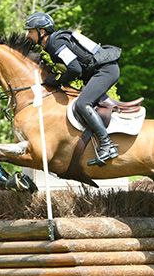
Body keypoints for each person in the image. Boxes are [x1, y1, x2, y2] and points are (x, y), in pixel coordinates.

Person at [24, 12, 122, 167]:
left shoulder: (56, 43)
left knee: (83, 104)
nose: (28, 35)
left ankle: (107, 145)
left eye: (30, 31)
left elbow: (75, 69)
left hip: (105, 70)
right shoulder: (54, 43)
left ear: (41, 32)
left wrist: (58, 81)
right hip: (100, 70)